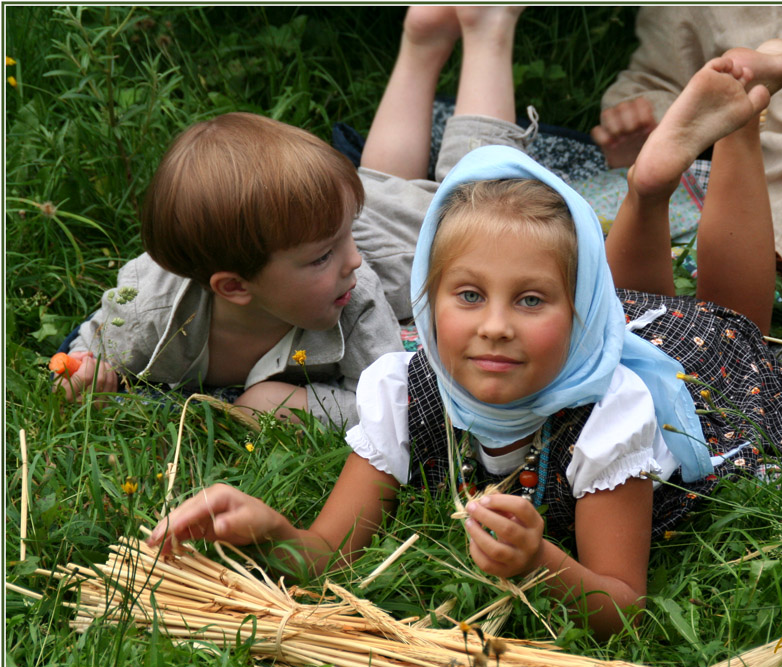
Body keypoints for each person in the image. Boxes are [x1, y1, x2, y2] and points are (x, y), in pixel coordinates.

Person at [148, 43, 782, 640]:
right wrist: (269, 529)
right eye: (469, 296)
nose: (496, 324)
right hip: (610, 312)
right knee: (646, 302)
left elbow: (622, 604)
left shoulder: (611, 420)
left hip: (690, 371)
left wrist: (540, 560)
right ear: (425, 302)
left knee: (739, 335)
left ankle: (738, 131)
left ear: (577, 314)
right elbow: (321, 555)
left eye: (529, 300)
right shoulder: (404, 393)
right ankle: (650, 185)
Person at [55, 6, 534, 428]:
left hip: (399, 236)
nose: (351, 262)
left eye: (340, 245)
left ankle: (488, 25)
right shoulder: (149, 312)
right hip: (362, 210)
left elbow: (395, 399)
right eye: (324, 256)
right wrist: (94, 374)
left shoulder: (356, 286)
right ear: (235, 287)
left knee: (479, 202)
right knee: (382, 184)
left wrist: (295, 404)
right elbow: (90, 351)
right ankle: (424, 38)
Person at [592, 6, 782, 288]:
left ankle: (736, 112)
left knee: (724, 329)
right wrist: (643, 122)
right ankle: (741, 109)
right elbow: (653, 81)